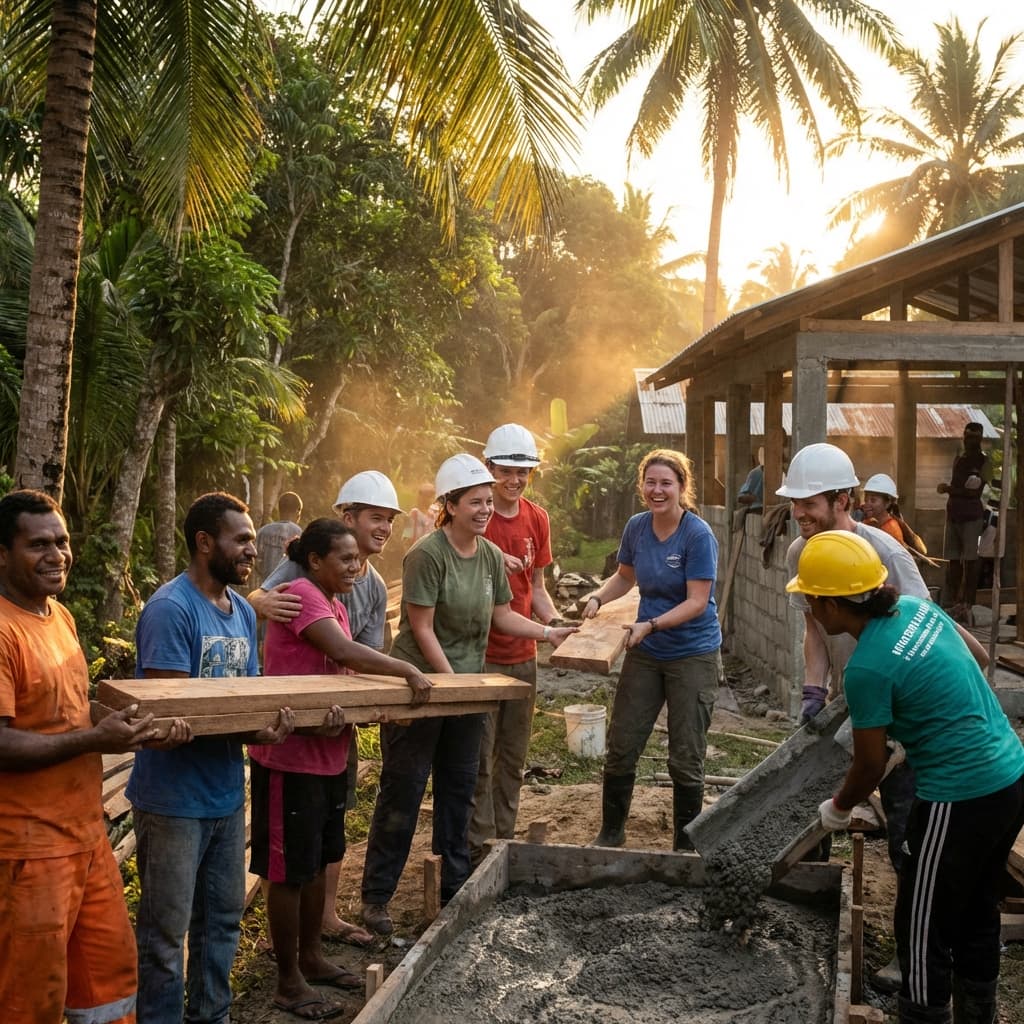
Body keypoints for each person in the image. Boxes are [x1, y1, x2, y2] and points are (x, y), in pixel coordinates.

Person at [777, 442, 989, 992]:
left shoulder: (884, 554)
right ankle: (803, 920)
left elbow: (920, 630)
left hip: (896, 707)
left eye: (809, 503)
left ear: (843, 500)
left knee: (907, 833)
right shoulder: (802, 552)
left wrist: (904, 725)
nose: (800, 513)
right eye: (795, 503)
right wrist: (812, 691)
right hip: (850, 699)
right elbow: (814, 628)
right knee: (812, 814)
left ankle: (910, 951)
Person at [791, 531, 1024, 1024]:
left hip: (959, 797)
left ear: (832, 605)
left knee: (921, 924)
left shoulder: (866, 669)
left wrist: (837, 809)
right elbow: (979, 659)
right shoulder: (919, 610)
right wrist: (920, 720)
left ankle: (923, 1014)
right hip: (1010, 776)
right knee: (978, 906)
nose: (809, 608)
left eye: (811, 599)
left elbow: (868, 765)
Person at [359, 454, 576, 936]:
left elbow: (502, 616)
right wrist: (450, 684)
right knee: (404, 793)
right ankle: (376, 898)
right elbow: (422, 628)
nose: (485, 510)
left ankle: (454, 889)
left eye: (486, 502)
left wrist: (547, 633)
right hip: (420, 691)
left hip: (465, 693)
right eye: (475, 502)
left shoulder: (490, 557)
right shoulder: (427, 555)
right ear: (450, 506)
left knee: (459, 792)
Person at [252, 518, 431, 1019]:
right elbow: (344, 651)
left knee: (315, 862)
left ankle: (310, 956)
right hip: (289, 760)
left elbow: (343, 671)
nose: (356, 567)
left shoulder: (335, 603)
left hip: (326, 755)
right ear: (315, 560)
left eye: (358, 559)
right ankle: (288, 981)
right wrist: (407, 669)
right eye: (346, 559)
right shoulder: (303, 595)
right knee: (288, 872)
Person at [127, 492, 294, 1024]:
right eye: (241, 539)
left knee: (221, 924)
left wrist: (268, 728)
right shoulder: (170, 610)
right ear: (204, 542)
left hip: (224, 795)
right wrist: (242, 728)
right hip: (173, 803)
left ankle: (211, 1017)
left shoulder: (242, 610)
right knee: (165, 936)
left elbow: (244, 699)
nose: (252, 551)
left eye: (252, 540)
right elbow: (168, 714)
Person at [0, 490, 158, 1024]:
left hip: (85, 838)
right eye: (38, 544)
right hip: (26, 852)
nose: (56, 555)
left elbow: (68, 709)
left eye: (62, 541)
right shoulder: (2, 629)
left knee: (109, 983)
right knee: (29, 998)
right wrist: (93, 740)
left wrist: (131, 722)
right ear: (2, 554)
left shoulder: (59, 616)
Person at [248, 469, 402, 944]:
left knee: (328, 830)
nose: (384, 528)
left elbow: (363, 654)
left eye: (390, 520)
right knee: (291, 852)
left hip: (334, 726)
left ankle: (322, 923)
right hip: (293, 735)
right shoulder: (306, 573)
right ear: (348, 517)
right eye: (375, 517)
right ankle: (288, 948)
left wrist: (367, 703)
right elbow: (264, 595)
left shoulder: (367, 588)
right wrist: (258, 602)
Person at [583, 449, 723, 852]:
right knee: (622, 745)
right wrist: (597, 597)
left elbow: (697, 601)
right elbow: (624, 577)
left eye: (666, 483)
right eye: (650, 482)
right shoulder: (637, 527)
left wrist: (652, 624)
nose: (657, 490)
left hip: (692, 652)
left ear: (681, 487)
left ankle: (684, 845)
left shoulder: (697, 535)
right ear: (641, 486)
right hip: (645, 651)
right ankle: (611, 833)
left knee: (685, 755)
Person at [467, 423, 560, 863]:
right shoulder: (476, 521)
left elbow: (536, 589)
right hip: (481, 656)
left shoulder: (537, 518)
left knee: (513, 757)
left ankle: (503, 841)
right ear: (489, 469)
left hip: (524, 657)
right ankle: (477, 847)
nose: (515, 480)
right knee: (479, 758)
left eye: (523, 472)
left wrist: (556, 623)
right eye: (506, 471)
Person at [937, 421, 991, 623]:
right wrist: (951, 491)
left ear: (981, 438)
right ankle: (953, 603)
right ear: (963, 437)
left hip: (972, 517)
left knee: (970, 561)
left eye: (974, 437)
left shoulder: (985, 463)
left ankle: (969, 603)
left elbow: (974, 493)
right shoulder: (959, 459)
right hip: (953, 514)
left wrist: (948, 489)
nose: (970, 440)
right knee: (953, 561)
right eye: (968, 436)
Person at [253, 491, 303, 588]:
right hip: (289, 589)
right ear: (298, 511)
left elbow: (256, 563)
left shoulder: (263, 531)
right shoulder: (299, 534)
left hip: (265, 587)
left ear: (279, 509)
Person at [859, 473, 903, 541]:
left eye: (873, 500)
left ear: (887, 503)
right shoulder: (869, 522)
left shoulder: (892, 529)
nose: (867, 504)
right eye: (866, 500)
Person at [405, 482, 438, 548]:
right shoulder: (414, 514)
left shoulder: (433, 515)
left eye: (431, 496)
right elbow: (406, 537)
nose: (430, 499)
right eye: (427, 496)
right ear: (421, 497)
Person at [736, 447, 764, 512]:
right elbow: (740, 498)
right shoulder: (755, 473)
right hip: (758, 509)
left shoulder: (781, 472)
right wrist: (755, 498)